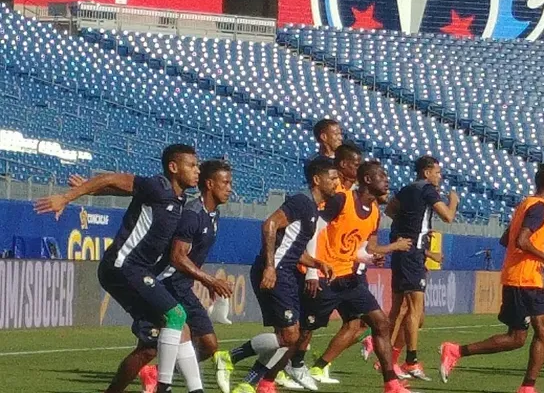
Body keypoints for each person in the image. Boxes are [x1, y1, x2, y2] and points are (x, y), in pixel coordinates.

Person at [35, 144, 200, 393]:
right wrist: (68, 197)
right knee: (176, 315)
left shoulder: (178, 198)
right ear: (173, 167)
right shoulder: (158, 186)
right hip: (123, 266)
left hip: (136, 270)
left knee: (155, 343)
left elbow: (117, 189)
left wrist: (91, 189)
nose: (197, 170)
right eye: (192, 165)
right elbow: (111, 178)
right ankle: (165, 389)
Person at [439, 163, 544, 393]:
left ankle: (456, 351)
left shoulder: (524, 205)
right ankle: (527, 388)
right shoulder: (539, 208)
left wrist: (535, 259)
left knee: (518, 338)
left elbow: (507, 239)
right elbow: (521, 240)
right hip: (523, 280)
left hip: (520, 276)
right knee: (542, 331)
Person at [293, 161, 415, 393]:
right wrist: (311, 270)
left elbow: (355, 249)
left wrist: (369, 259)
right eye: (381, 175)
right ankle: (274, 372)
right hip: (324, 276)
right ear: (367, 180)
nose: (387, 180)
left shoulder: (375, 213)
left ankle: (391, 383)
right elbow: (313, 229)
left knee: (380, 322)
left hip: (348, 279)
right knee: (301, 332)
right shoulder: (342, 200)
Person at [223, 157, 337, 393]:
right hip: (277, 273)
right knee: (290, 336)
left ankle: (248, 384)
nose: (336, 183)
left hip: (286, 272)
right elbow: (269, 225)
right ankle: (230, 358)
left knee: (287, 336)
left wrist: (316, 262)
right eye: (332, 178)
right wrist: (270, 267)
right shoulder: (301, 202)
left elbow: (291, 248)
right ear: (317, 179)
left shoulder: (313, 210)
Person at [134, 160, 236, 393]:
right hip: (167, 282)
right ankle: (164, 382)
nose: (230, 188)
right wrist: (209, 280)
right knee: (173, 341)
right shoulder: (192, 214)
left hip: (181, 284)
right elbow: (177, 257)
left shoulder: (213, 214)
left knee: (204, 344)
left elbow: (192, 255)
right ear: (209, 184)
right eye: (226, 182)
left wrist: (205, 281)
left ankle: (158, 376)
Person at [384, 155, 459, 380]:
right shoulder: (427, 189)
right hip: (412, 254)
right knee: (414, 309)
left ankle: (389, 358)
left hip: (404, 251)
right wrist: (454, 200)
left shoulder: (407, 189)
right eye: (437, 172)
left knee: (401, 309)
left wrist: (408, 224)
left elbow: (389, 210)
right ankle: (409, 361)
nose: (439, 176)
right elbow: (447, 216)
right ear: (426, 173)